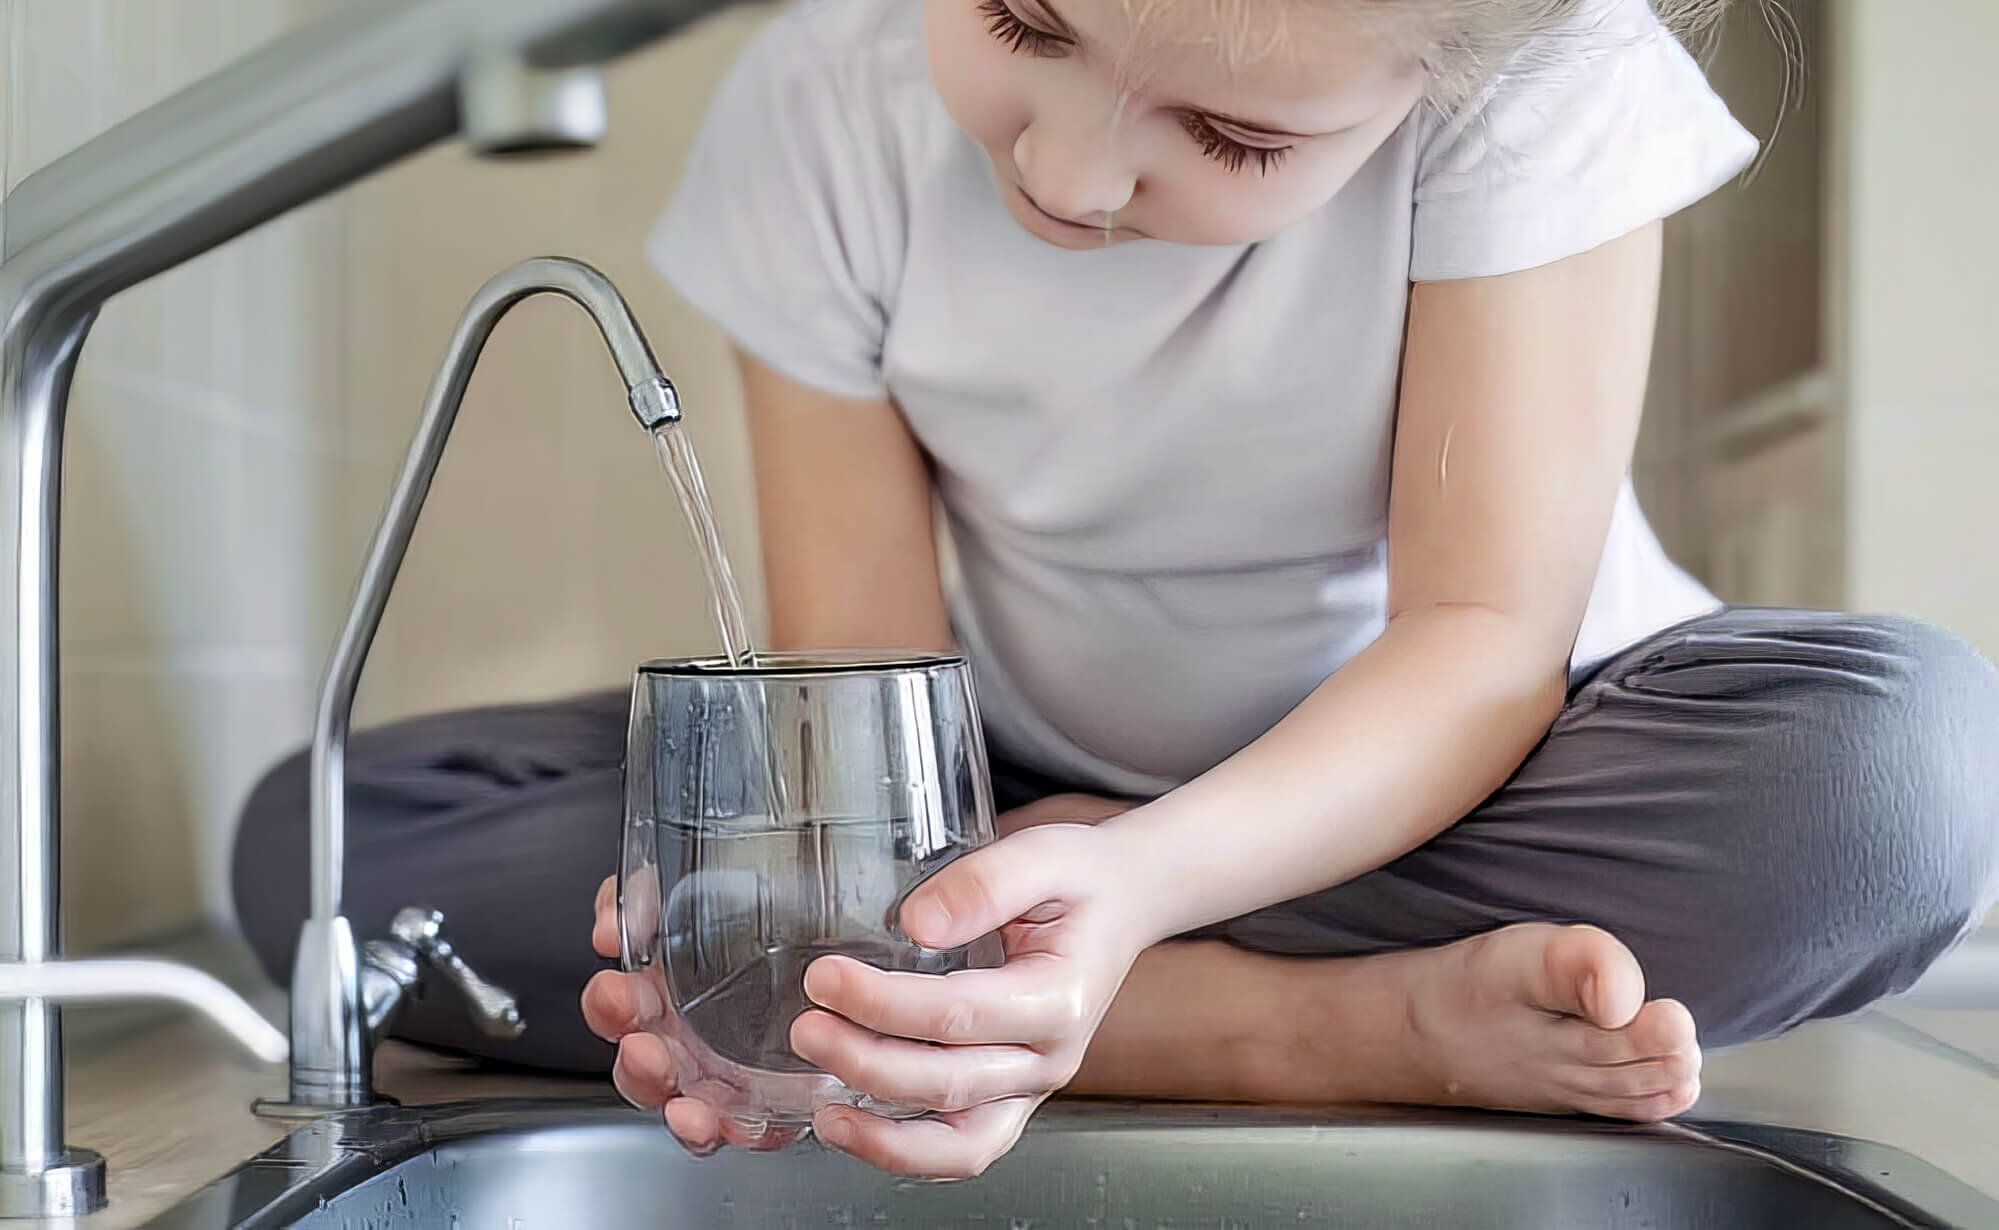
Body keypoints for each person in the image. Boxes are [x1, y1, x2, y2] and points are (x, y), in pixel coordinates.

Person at [233, 0, 1999, 1182]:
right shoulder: (819, 96)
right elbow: (859, 696)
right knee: (323, 846)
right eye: (1022, 16)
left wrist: (1139, 873)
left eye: (1231, 136)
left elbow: (1480, 647)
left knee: (1888, 785)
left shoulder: (1552, 71)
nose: (1065, 177)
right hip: (996, 783)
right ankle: (1318, 1030)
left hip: (1486, 775)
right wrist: (878, 889)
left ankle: (1085, 990)